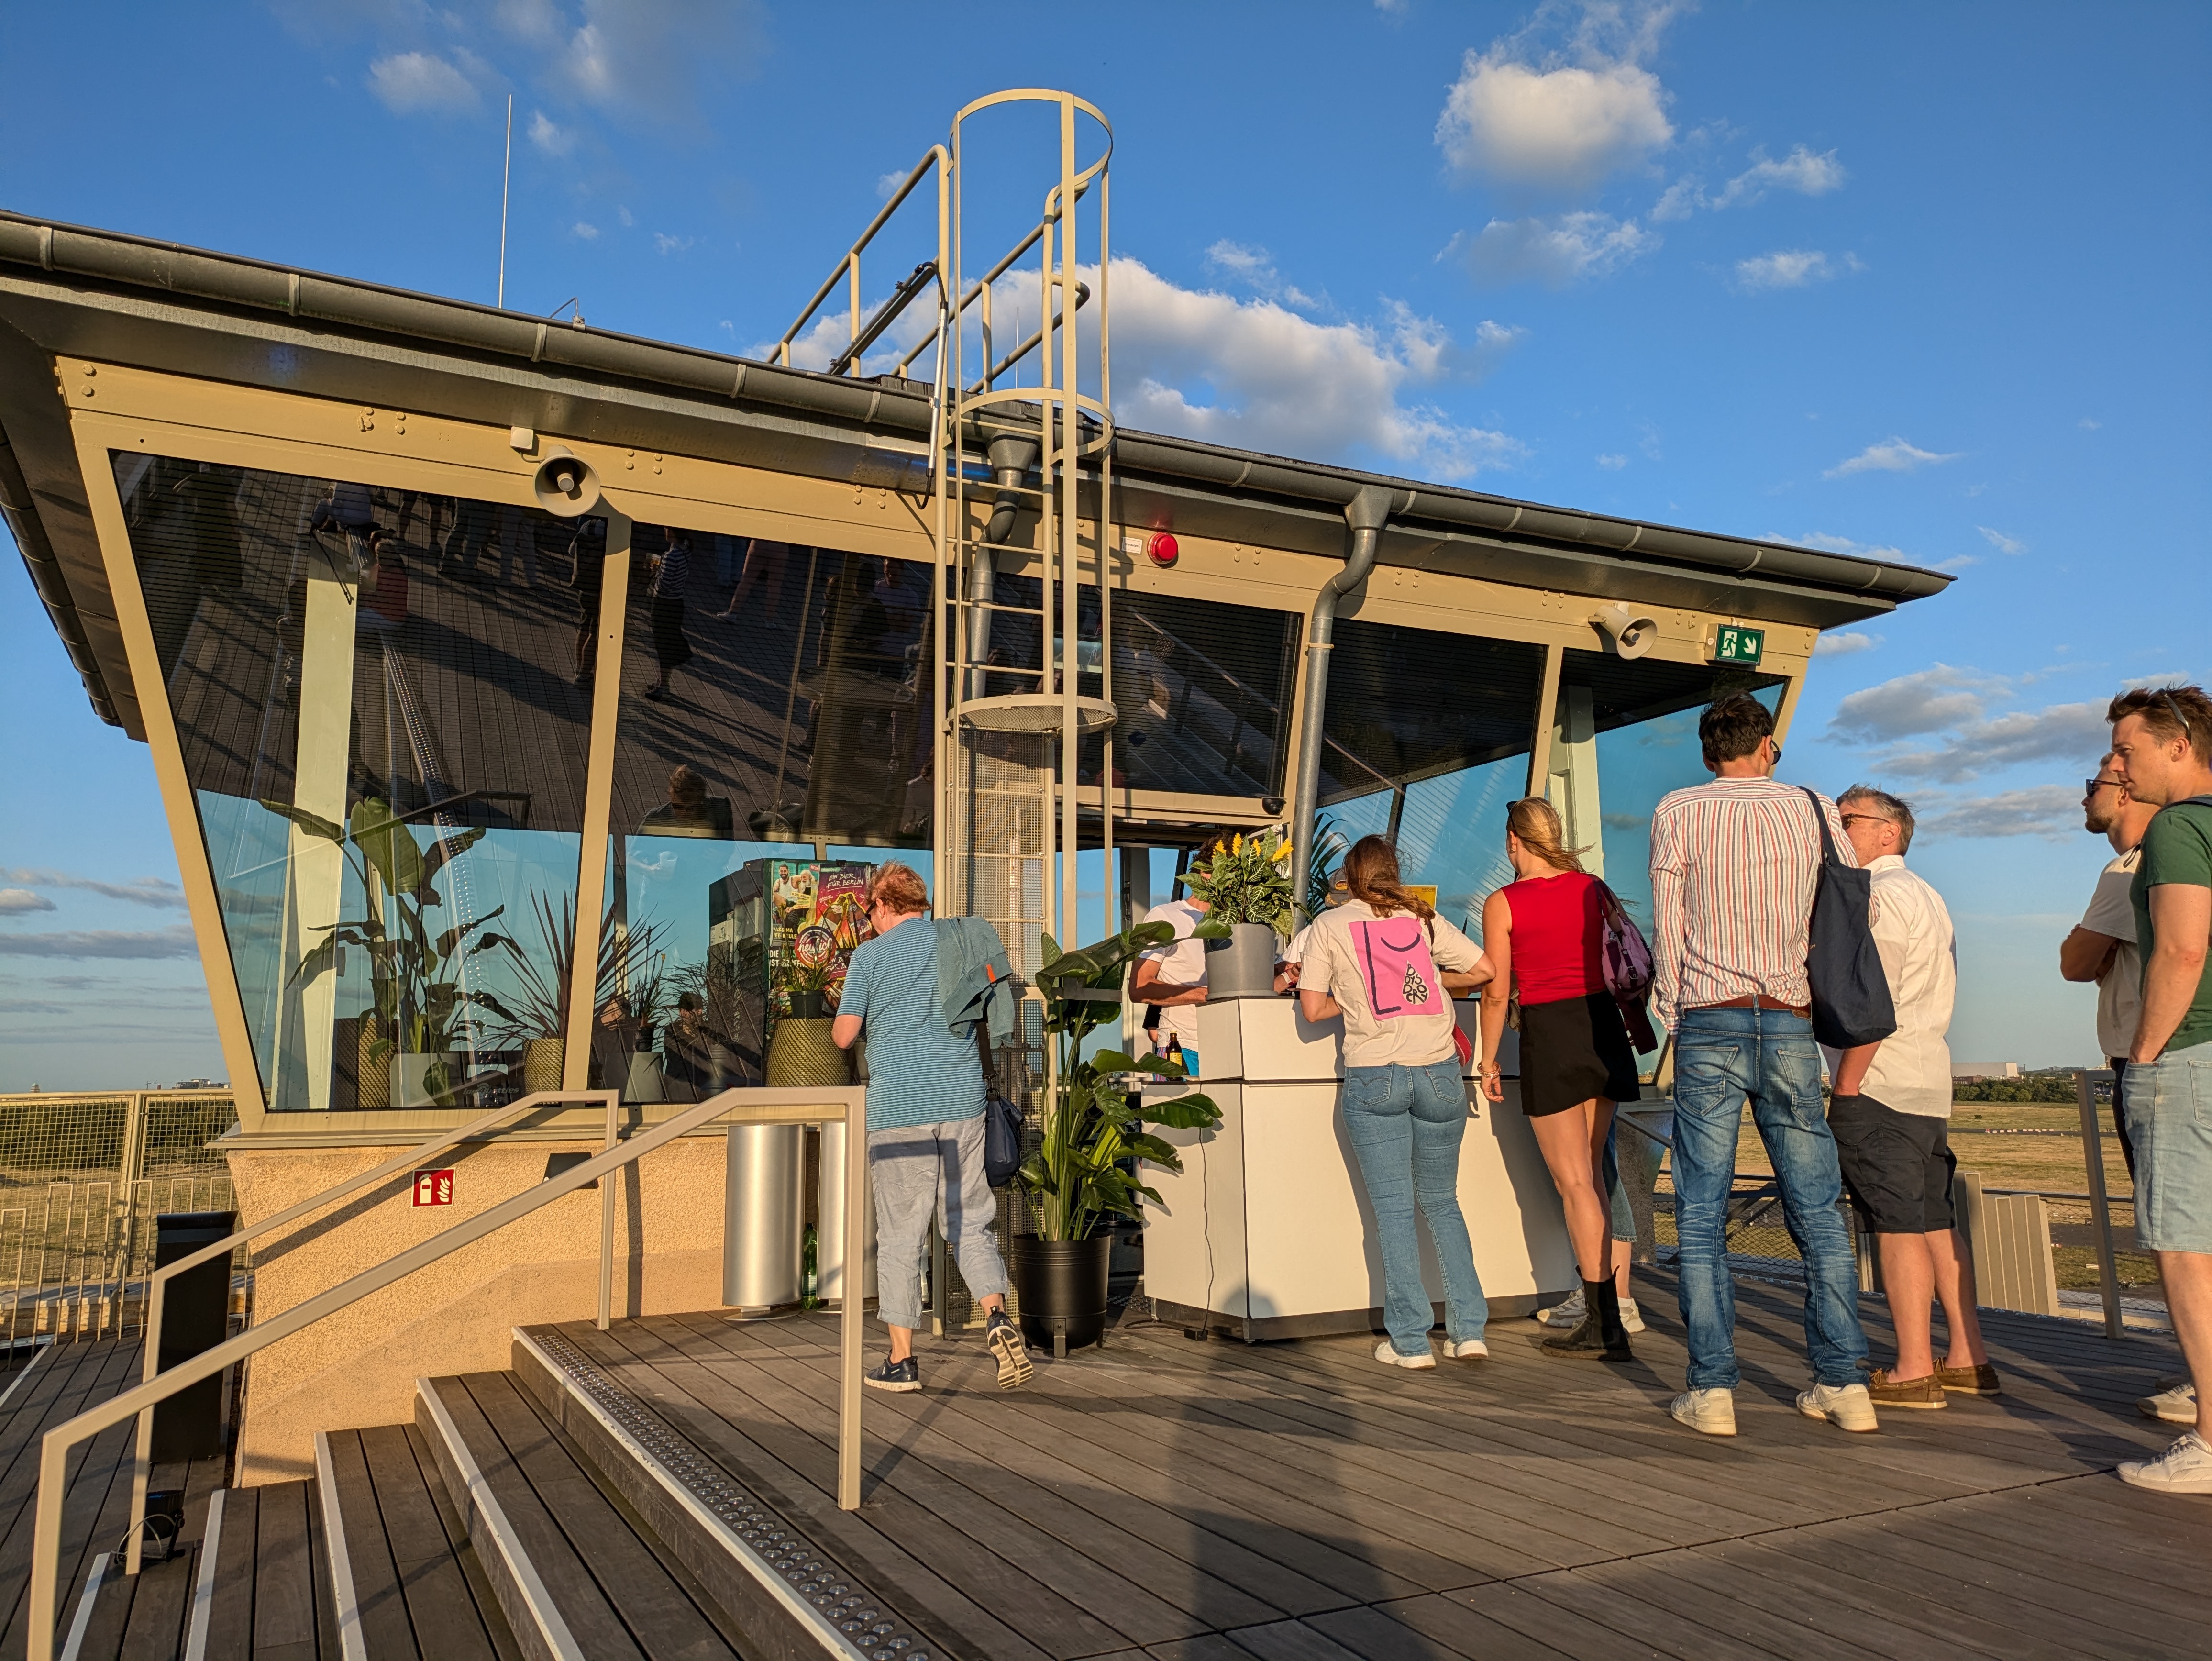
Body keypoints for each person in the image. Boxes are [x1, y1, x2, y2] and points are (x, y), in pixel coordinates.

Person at [1649, 693, 1877, 1437]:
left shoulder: (1678, 810)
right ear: (1768, 745)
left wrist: (1673, 1013)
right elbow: (1845, 916)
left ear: (1709, 749)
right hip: (1787, 1020)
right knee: (1815, 1208)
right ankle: (1845, 1381)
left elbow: (1670, 927)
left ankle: (1713, 1391)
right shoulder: (1814, 809)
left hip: (1710, 1020)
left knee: (1701, 1211)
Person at [1822, 786, 1993, 1410]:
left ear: (1888, 833)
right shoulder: (1928, 896)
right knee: (1934, 1221)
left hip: (1882, 1081)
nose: (1838, 832)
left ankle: (1914, 1369)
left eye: (1849, 822)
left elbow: (1875, 1001)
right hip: (1927, 1080)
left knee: (1895, 1227)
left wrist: (1847, 1082)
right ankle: (1969, 1356)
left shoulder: (1879, 898)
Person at [832, 862, 1031, 1393]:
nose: (866, 917)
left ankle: (902, 1360)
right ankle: (996, 1316)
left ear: (881, 903)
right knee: (968, 1222)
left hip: (900, 1110)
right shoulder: (957, 943)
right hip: (961, 1102)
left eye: (867, 907)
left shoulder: (869, 957)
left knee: (901, 1235)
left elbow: (843, 1037)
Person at [1297, 835, 1494, 1369]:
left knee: (1392, 1211)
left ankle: (1410, 1342)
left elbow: (1312, 1008)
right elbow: (1484, 970)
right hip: (1439, 1074)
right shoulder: (1422, 919)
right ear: (1393, 872)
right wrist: (1429, 983)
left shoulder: (1328, 927)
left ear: (1349, 877)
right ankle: (1469, 1331)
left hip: (1375, 1073)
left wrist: (1355, 993)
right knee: (1442, 1202)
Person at [1477, 798, 1639, 1360]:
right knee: (1591, 1176)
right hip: (1603, 1029)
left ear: (1514, 842)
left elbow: (1497, 989)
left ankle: (1603, 1321)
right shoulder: (1593, 887)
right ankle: (1610, 1312)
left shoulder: (1503, 902)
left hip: (1551, 1032)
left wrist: (1488, 1058)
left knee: (1573, 1184)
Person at [2105, 684, 2212, 1494]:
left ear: (2176, 744)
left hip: (2189, 1057)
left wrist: (2144, 1052)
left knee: (2184, 1250)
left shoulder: (2178, 826)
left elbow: (2179, 950)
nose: (2119, 762)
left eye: (2128, 747)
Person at [2061, 754, 2158, 1181]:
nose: (2084, 800)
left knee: (2162, 1211)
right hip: (2153, 1054)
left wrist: (2084, 937)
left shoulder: (2126, 870)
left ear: (2125, 792)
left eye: (2092, 787)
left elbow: (2076, 963)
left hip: (2143, 1059)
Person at [643, 530, 695, 701]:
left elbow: (664, 585)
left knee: (663, 645)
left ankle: (663, 686)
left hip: (664, 605)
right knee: (668, 642)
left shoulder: (672, 556)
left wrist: (654, 574)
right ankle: (662, 681)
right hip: (676, 602)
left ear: (671, 533)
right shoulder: (685, 550)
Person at [567, 516, 607, 687]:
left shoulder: (588, 525)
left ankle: (579, 668)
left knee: (584, 627)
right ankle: (584, 675)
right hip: (601, 588)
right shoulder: (616, 530)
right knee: (595, 633)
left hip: (584, 585)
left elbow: (572, 551)